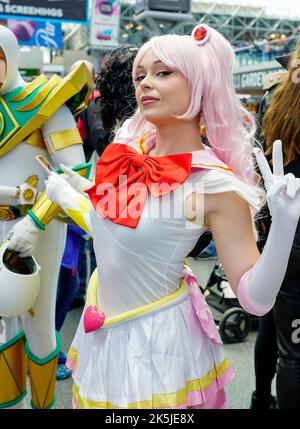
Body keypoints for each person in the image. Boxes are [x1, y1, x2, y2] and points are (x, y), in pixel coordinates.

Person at [45, 24, 300, 409]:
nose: (145, 83)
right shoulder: (129, 154)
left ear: (198, 84)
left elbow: (255, 301)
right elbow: (116, 228)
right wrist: (71, 193)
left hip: (158, 349)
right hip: (103, 335)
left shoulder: (214, 183)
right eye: (141, 75)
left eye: (163, 73)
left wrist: (283, 228)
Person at [0, 25, 91, 409]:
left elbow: (76, 176)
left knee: (38, 324)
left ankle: (42, 405)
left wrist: (35, 221)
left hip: (38, 227)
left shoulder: (47, 103)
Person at [256, 40, 300, 409]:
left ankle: (260, 398)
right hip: (286, 233)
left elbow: (261, 165)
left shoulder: (276, 102)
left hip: (285, 235)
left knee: (291, 350)